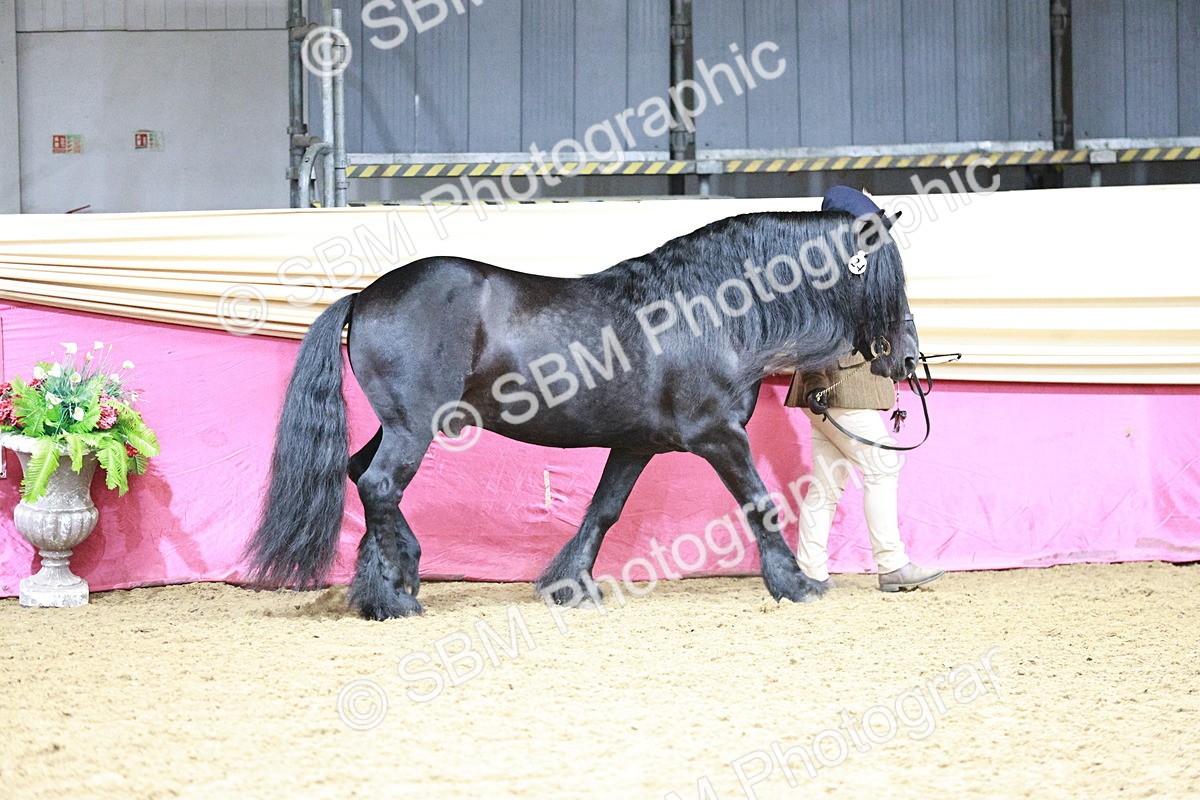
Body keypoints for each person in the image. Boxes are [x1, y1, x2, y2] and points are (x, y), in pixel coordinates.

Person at [784, 187, 944, 592]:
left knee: (826, 483)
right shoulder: (838, 270)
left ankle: (809, 572)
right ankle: (891, 564)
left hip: (827, 390)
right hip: (840, 390)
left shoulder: (830, 265)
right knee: (883, 465)